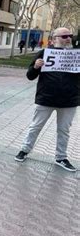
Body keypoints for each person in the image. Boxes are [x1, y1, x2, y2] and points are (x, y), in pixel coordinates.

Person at [15, 28, 79, 172]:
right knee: (35, 126)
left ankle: (61, 157)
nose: (68, 38)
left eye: (70, 36)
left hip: (69, 101)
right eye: (64, 36)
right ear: (54, 39)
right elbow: (30, 76)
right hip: (46, 99)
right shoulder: (44, 53)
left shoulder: (76, 55)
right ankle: (24, 150)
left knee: (64, 130)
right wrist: (36, 67)